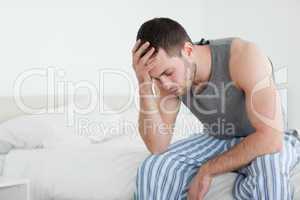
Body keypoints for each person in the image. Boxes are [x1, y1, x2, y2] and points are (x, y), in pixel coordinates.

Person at [131, 17, 300, 200]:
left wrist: (208, 170)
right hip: (218, 137)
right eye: (155, 78)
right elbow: (158, 146)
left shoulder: (244, 56)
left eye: (168, 73)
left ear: (187, 50)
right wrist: (144, 83)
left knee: (270, 175)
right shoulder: (168, 82)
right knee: (154, 167)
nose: (164, 84)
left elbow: (271, 139)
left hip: (266, 137)